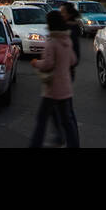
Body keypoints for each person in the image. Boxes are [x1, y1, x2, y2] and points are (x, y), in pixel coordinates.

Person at [29, 10, 79, 148]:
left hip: (52, 89)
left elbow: (47, 64)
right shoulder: (67, 40)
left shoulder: (52, 42)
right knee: (67, 121)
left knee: (42, 119)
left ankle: (35, 144)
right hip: (66, 88)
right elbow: (73, 60)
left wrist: (35, 63)